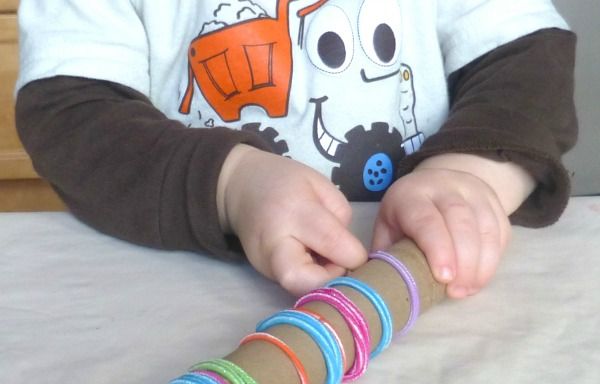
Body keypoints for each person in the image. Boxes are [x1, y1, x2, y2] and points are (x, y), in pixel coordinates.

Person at [15, 0, 577, 298]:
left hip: (427, 286)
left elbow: (526, 62)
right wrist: (228, 185)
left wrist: (466, 178)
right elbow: (71, 110)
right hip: (187, 295)